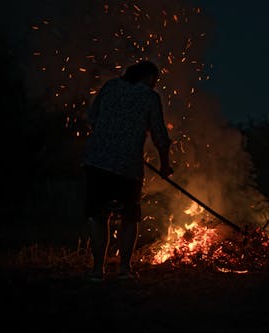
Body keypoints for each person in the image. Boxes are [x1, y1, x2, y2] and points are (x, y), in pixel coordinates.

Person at [81, 60, 173, 281]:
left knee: (98, 215)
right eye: (155, 80)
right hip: (127, 167)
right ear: (150, 77)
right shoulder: (150, 97)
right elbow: (160, 135)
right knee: (129, 217)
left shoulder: (111, 86)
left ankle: (97, 271)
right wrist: (164, 164)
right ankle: (124, 270)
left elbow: (92, 118)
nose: (155, 84)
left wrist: (109, 136)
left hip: (97, 162)